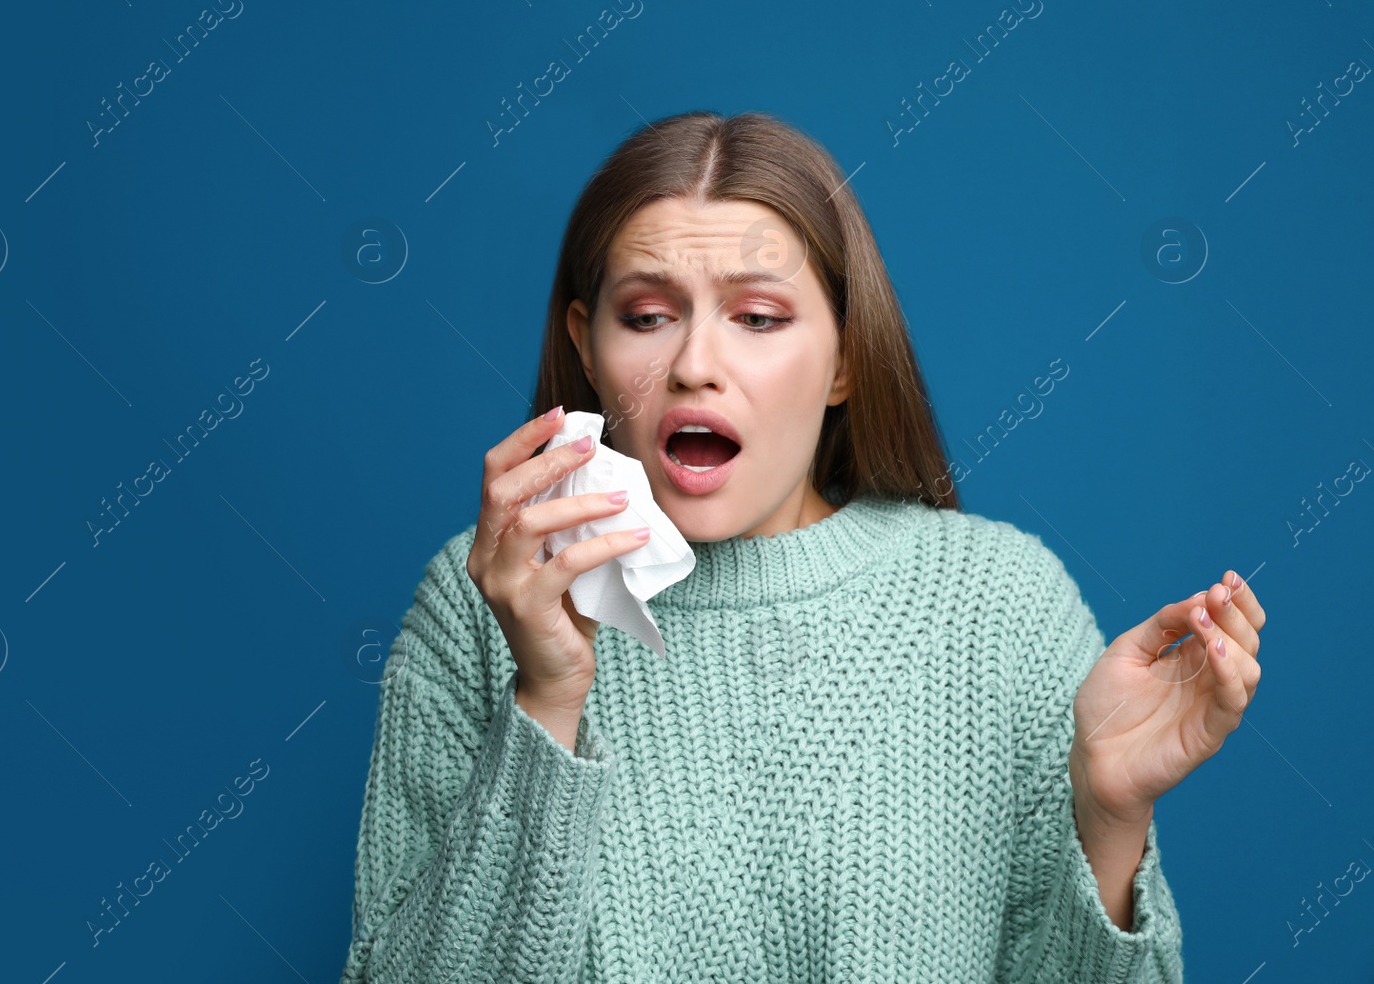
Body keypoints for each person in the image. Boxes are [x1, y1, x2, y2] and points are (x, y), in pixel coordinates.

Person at [336, 111, 1264, 982]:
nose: (696, 363)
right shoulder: (481, 598)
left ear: (846, 359)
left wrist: (1108, 816)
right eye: (649, 315)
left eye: (760, 318)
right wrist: (544, 698)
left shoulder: (999, 603)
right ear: (587, 347)